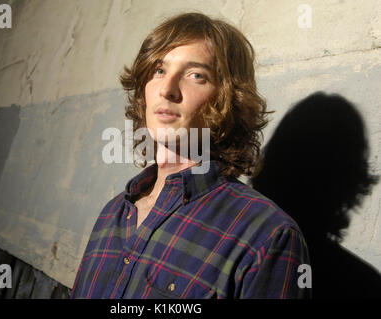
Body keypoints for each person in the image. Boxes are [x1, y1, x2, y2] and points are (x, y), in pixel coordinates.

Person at [70, 12, 311, 299]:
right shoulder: (114, 213)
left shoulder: (268, 236)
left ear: (229, 99)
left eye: (196, 75)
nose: (167, 89)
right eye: (159, 70)